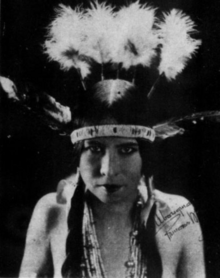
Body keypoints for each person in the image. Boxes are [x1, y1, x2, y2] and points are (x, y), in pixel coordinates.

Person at [15, 2, 206, 278]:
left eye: (127, 149)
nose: (108, 169)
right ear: (77, 154)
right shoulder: (53, 212)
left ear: (145, 156)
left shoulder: (177, 216)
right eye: (94, 148)